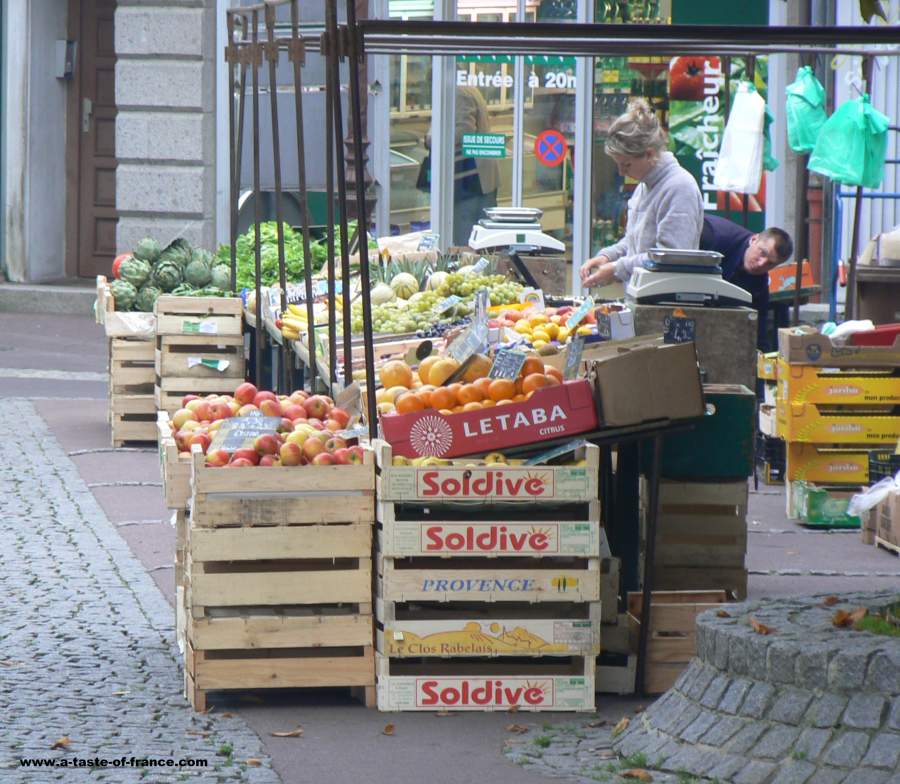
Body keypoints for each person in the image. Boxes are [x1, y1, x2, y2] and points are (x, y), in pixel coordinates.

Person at [580, 98, 704, 288]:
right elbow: (634, 242)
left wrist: (616, 269)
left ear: (649, 153)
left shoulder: (679, 188)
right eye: (618, 165)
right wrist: (608, 256)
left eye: (626, 164)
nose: (621, 172)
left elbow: (670, 259)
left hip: (664, 303)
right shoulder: (645, 185)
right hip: (641, 296)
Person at [699, 214, 794, 348]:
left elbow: (757, 332)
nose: (761, 264)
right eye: (763, 253)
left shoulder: (759, 285)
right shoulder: (714, 237)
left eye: (770, 264)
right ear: (754, 239)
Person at [453, 86, 500, 246]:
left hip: (471, 179)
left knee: (466, 238)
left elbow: (462, 132)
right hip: (479, 177)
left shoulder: (459, 92)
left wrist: (430, 138)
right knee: (482, 237)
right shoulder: (469, 90)